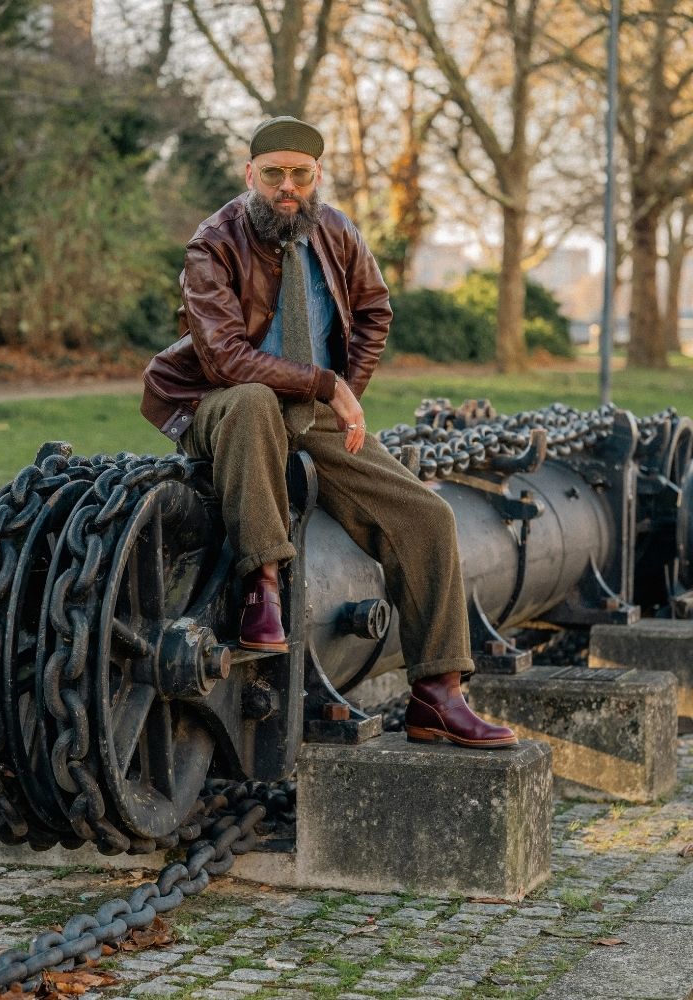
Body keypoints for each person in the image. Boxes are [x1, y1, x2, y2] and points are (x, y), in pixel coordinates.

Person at [141, 115, 516, 750]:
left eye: (300, 174)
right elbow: (224, 359)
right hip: (220, 403)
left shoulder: (337, 231)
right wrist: (328, 383)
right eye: (273, 174)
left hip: (311, 411)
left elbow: (374, 309)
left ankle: (438, 694)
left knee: (426, 515)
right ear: (250, 174)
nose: (286, 187)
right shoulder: (214, 244)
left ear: (317, 176)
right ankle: (262, 587)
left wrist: (347, 393)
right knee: (255, 400)